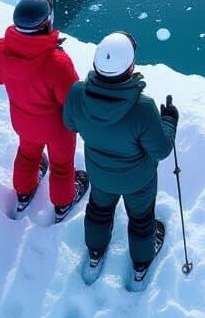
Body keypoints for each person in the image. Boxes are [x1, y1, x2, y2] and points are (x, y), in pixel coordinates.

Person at [63, 32, 176, 278]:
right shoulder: (143, 108)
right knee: (141, 218)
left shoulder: (76, 94)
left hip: (100, 173)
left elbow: (70, 124)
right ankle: (141, 264)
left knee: (98, 210)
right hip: (138, 181)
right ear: (130, 68)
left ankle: (95, 252)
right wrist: (169, 122)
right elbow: (162, 149)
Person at [0, 0, 89, 217]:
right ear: (46, 23)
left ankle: (23, 193)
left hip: (23, 120)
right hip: (56, 129)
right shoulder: (57, 62)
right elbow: (71, 101)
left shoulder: (0, 48)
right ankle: (63, 203)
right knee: (62, 166)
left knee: (27, 153)